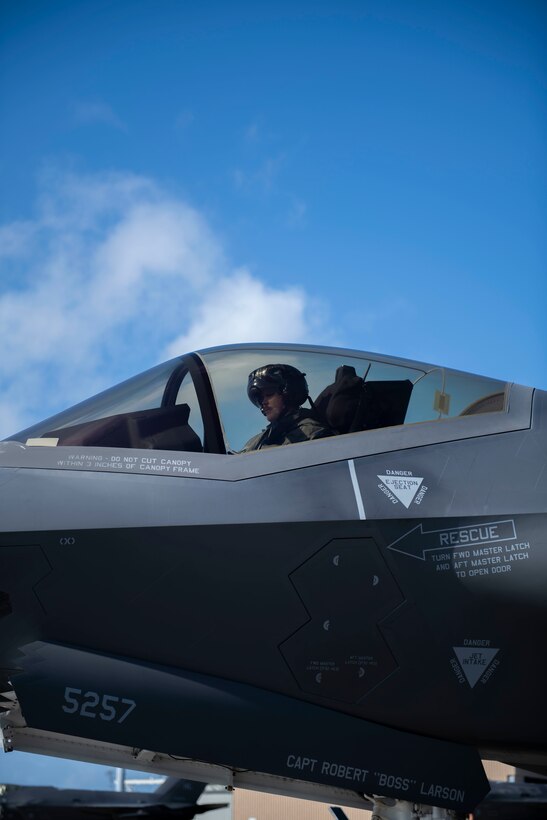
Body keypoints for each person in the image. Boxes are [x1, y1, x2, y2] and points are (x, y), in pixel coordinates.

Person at [241, 364, 333, 451]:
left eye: (269, 394)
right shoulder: (259, 440)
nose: (263, 402)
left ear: (288, 395)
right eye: (260, 398)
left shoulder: (312, 434)